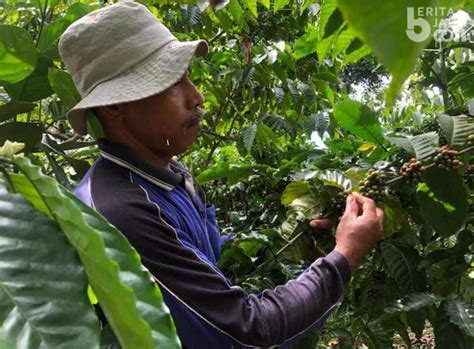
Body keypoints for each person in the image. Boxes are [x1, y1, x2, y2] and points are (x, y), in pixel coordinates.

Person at [59, 1, 383, 348]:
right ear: (114, 106)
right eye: (172, 84)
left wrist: (294, 243)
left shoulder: (166, 171)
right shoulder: (120, 211)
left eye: (188, 79)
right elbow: (244, 333)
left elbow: (203, 253)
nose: (196, 97)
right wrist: (344, 256)